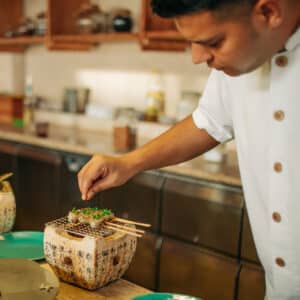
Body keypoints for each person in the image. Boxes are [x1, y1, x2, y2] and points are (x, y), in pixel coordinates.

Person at [78, 0, 300, 299]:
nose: (198, 57)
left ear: (268, 12)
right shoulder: (238, 60)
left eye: (212, 42)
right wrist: (129, 162)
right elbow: (208, 121)